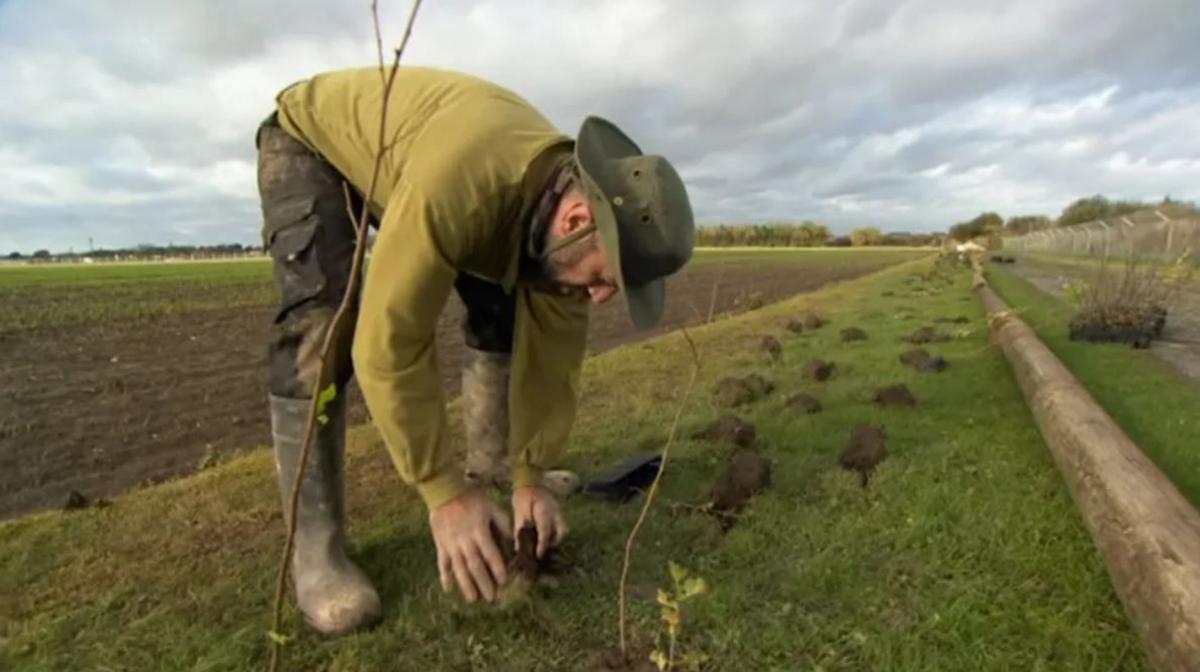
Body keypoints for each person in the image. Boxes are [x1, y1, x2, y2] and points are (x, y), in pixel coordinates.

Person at [255, 66, 695, 635]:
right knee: (324, 331)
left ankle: (490, 474)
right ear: (578, 221)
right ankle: (316, 552)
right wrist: (441, 492)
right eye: (607, 277)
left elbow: (554, 358)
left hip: (431, 171)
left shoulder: (561, 225)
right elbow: (392, 339)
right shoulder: (466, 183)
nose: (603, 295)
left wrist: (529, 474)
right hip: (312, 144)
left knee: (507, 308)